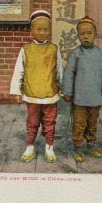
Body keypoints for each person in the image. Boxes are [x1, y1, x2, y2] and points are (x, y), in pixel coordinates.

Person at [10, 10, 63, 163]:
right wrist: (16, 91)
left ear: (49, 30)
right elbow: (19, 70)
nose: (42, 32)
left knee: (50, 122)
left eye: (45, 29)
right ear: (31, 30)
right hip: (32, 94)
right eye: (38, 29)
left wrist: (63, 88)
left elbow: (59, 70)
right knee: (32, 121)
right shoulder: (25, 49)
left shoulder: (54, 49)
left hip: (50, 94)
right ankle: (30, 146)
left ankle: (49, 146)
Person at [62, 16, 102, 163]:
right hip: (80, 98)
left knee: (92, 122)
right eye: (82, 34)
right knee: (79, 122)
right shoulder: (76, 54)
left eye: (89, 33)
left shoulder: (101, 54)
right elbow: (69, 73)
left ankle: (91, 144)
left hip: (95, 96)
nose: (86, 36)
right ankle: (77, 146)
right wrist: (67, 92)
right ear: (78, 35)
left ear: (95, 34)